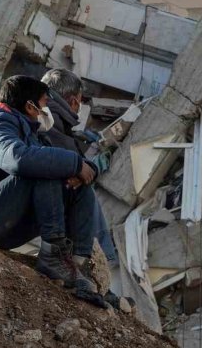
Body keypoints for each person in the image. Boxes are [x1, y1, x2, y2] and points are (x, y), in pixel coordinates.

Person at [0, 75, 105, 307]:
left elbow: (68, 162)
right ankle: (52, 255)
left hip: (2, 221)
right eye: (43, 105)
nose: (45, 111)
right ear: (30, 106)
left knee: (76, 187)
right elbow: (17, 160)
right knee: (41, 169)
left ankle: (76, 265)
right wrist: (74, 163)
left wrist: (84, 169)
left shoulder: (28, 129)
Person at [39, 68, 132, 310]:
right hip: (37, 194)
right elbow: (63, 161)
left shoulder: (47, 114)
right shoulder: (50, 120)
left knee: (83, 188)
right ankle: (85, 266)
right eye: (79, 102)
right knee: (84, 192)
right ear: (74, 100)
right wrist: (82, 171)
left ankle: (90, 269)